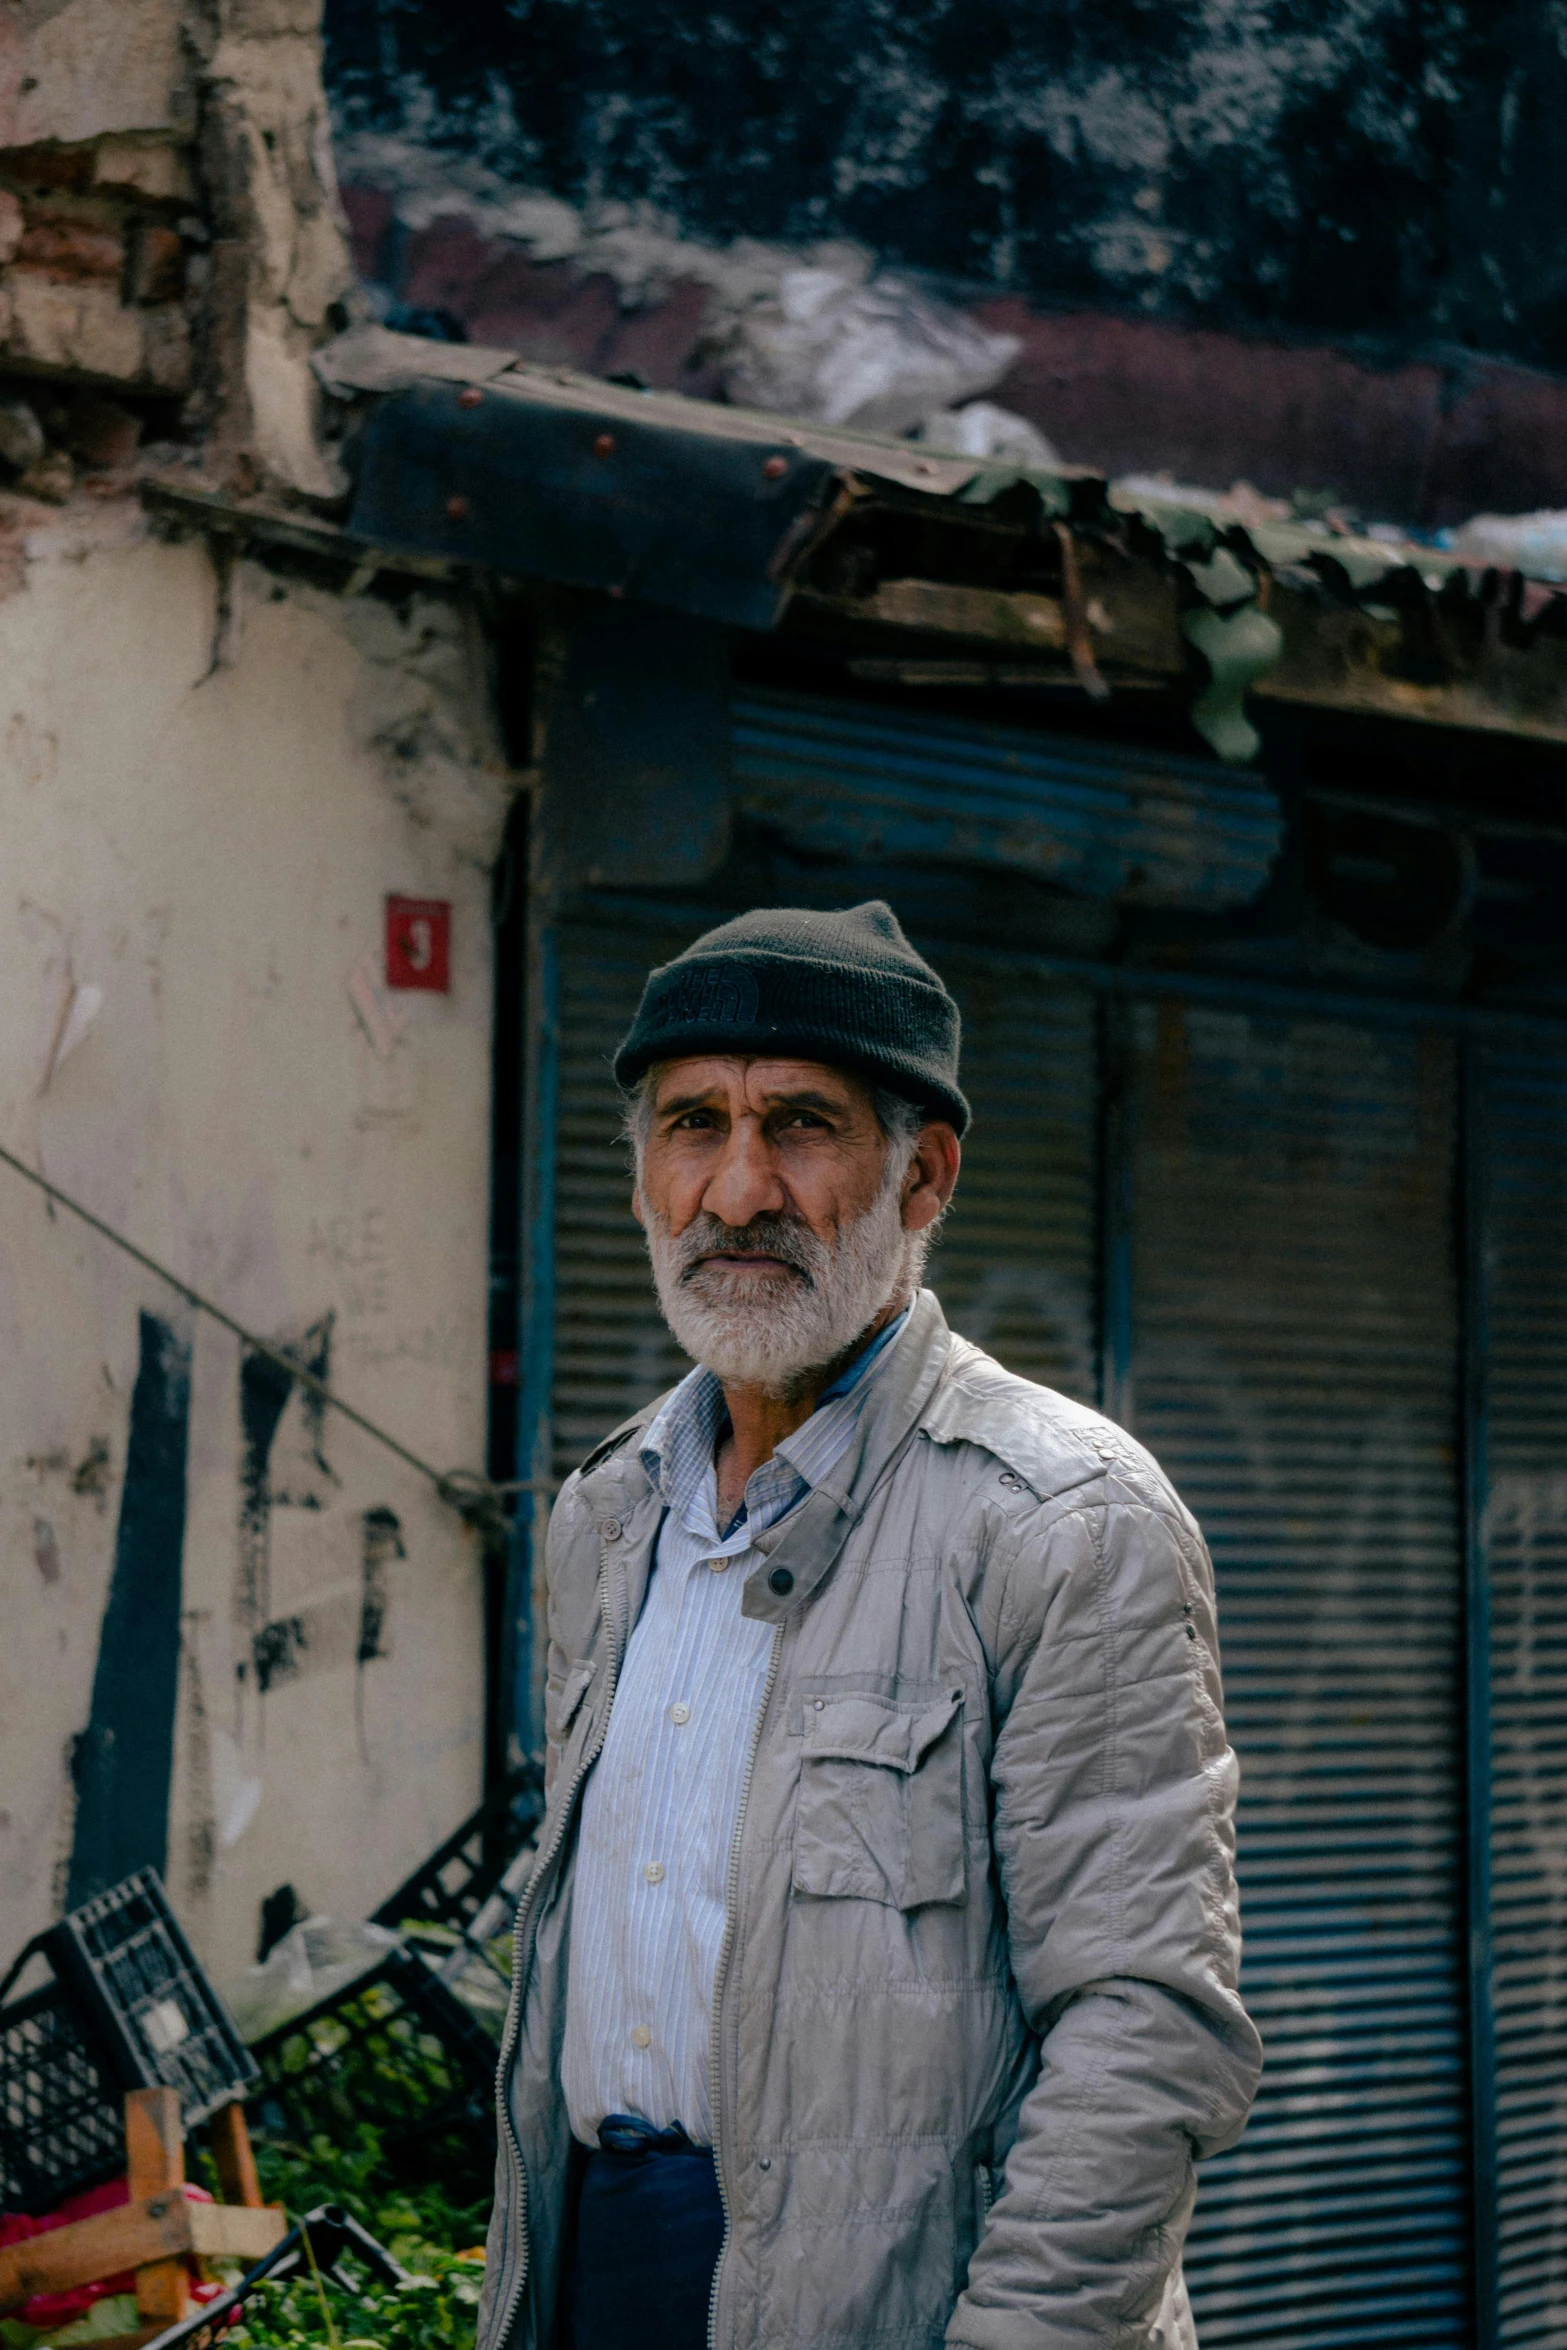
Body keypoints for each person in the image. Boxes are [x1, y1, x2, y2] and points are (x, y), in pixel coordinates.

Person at [476, 901, 1260, 2350]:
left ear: (923, 1173)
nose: (734, 1189)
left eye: (801, 1125)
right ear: (643, 1171)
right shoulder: (604, 1515)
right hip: (597, 2274)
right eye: (691, 1122)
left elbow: (1144, 2024)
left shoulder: (1061, 1519)